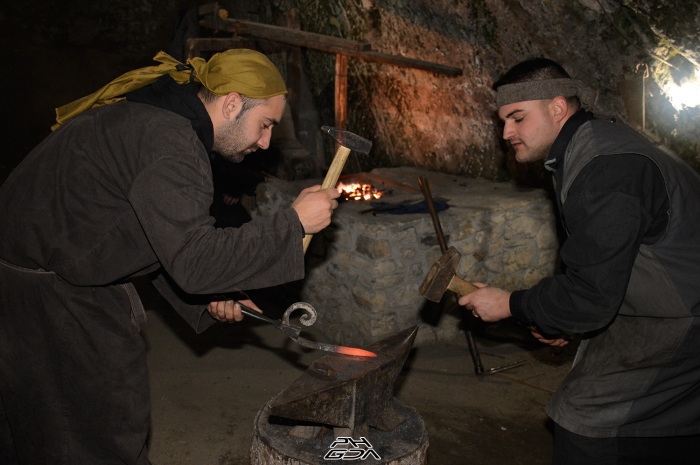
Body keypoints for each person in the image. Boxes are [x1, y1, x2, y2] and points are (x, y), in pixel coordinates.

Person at [0, 49, 340, 464]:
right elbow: (194, 258)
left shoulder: (153, 117)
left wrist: (216, 290)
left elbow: (150, 233)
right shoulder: (172, 145)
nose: (265, 142)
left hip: (32, 280)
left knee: (42, 426)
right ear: (232, 103)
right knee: (96, 432)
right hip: (57, 298)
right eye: (264, 125)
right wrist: (293, 224)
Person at [460, 58, 700, 464]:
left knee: (586, 417)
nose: (507, 133)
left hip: (684, 322)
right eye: (503, 121)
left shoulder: (607, 169)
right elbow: (593, 260)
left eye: (518, 118)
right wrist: (556, 318)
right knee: (659, 426)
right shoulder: (583, 147)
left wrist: (511, 305)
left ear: (557, 108)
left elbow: (590, 294)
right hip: (664, 306)